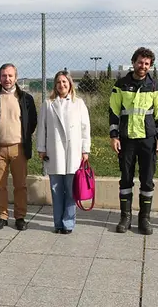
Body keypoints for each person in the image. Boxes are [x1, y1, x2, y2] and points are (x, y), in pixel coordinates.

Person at [109, 47, 158, 234]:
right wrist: (114, 136)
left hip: (148, 140)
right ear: (134, 62)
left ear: (150, 66)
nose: (143, 66)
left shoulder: (156, 86)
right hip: (127, 140)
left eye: (147, 64)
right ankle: (125, 218)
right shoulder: (121, 85)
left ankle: (145, 219)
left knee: (147, 180)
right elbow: (114, 112)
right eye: (140, 62)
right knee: (126, 179)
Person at [0, 63, 37, 231]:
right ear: (0, 78)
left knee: (20, 185)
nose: (7, 79)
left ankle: (20, 217)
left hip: (19, 148)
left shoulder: (26, 99)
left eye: (10, 76)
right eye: (4, 76)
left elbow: (32, 122)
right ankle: (2, 216)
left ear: (16, 78)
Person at [37, 71, 91, 234]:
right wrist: (41, 148)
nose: (62, 85)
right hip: (54, 151)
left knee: (71, 188)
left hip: (73, 152)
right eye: (59, 82)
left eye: (65, 82)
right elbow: (42, 127)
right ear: (55, 85)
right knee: (56, 189)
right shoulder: (48, 103)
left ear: (70, 84)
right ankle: (58, 223)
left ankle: (68, 223)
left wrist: (85, 150)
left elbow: (85, 128)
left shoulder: (79, 103)